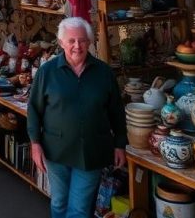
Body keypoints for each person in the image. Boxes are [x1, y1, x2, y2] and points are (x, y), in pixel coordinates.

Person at [28, 17, 127, 218]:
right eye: (71, 41)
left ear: (89, 42)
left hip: (92, 151)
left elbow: (117, 111)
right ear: (61, 42)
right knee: (59, 203)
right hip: (56, 150)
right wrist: (35, 144)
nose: (77, 46)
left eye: (82, 40)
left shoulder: (104, 73)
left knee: (80, 209)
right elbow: (33, 109)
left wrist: (119, 144)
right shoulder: (48, 72)